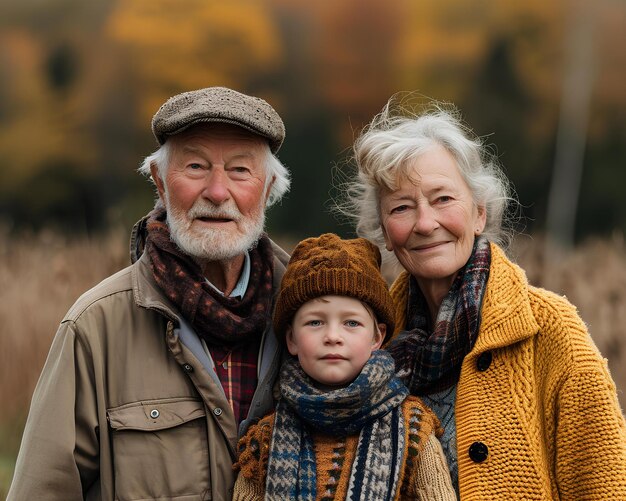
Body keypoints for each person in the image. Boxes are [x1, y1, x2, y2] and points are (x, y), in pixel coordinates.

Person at [8, 87, 292, 501]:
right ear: (160, 182)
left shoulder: (311, 311)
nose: (216, 191)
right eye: (195, 166)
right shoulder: (95, 327)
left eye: (239, 171)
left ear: (267, 189)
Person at [340, 95, 626, 499]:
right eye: (402, 207)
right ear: (384, 232)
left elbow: (606, 487)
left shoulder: (551, 328)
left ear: (479, 214)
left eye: (443, 199)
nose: (425, 223)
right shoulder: (372, 343)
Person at [232, 233, 457, 500]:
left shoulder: (412, 429)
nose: (333, 336)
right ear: (291, 339)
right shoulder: (265, 439)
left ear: (377, 337)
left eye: (351, 323)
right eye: (315, 322)